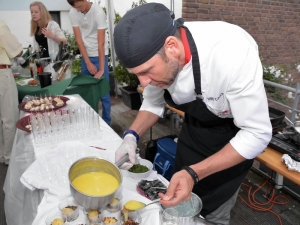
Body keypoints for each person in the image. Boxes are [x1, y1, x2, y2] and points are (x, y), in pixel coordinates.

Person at [114, 3, 272, 224]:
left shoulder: (232, 53)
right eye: (137, 75)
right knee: (179, 211)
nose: (143, 82)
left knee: (212, 216)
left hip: (231, 147)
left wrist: (194, 173)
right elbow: (152, 103)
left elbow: (258, 133)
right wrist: (131, 136)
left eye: (147, 71)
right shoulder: (156, 54)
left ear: (172, 47)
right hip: (192, 137)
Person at [67, 0, 111, 125]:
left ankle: (107, 123)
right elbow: (79, 40)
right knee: (87, 91)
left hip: (100, 55)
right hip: (85, 55)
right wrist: (87, 62)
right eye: (76, 8)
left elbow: (101, 43)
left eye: (80, 6)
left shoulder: (98, 12)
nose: (79, 9)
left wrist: (101, 68)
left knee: (104, 92)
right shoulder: (73, 12)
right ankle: (91, 122)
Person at [0, 20, 23, 165]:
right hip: (2, 73)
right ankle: (9, 157)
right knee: (9, 118)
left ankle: (2, 154)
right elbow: (17, 50)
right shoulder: (0, 25)